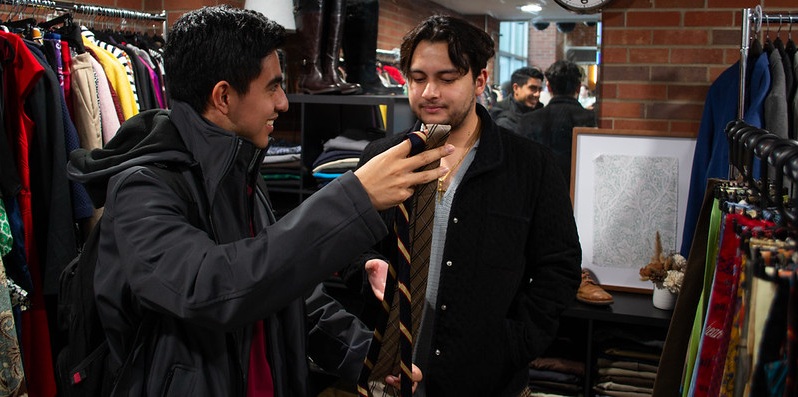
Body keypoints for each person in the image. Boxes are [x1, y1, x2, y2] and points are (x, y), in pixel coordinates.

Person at [66, 5, 454, 396]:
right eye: (272, 87)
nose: (283, 102)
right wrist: (356, 197)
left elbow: (286, 291)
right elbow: (211, 288)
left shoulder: (238, 168)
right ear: (223, 96)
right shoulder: (142, 187)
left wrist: (367, 356)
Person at [346, 15, 582, 396]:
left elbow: (560, 265)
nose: (429, 92)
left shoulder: (529, 166)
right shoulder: (381, 158)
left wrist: (515, 342)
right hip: (389, 375)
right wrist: (367, 268)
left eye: (447, 78)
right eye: (418, 78)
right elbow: (350, 245)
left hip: (485, 380)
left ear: (480, 81)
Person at [517, 60, 597, 184]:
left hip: (538, 191)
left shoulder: (528, 120)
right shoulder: (592, 120)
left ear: (548, 87)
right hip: (579, 191)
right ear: (578, 87)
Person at [489, 66, 545, 131]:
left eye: (540, 89)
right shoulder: (503, 119)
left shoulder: (541, 112)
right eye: (532, 88)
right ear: (516, 88)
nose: (537, 94)